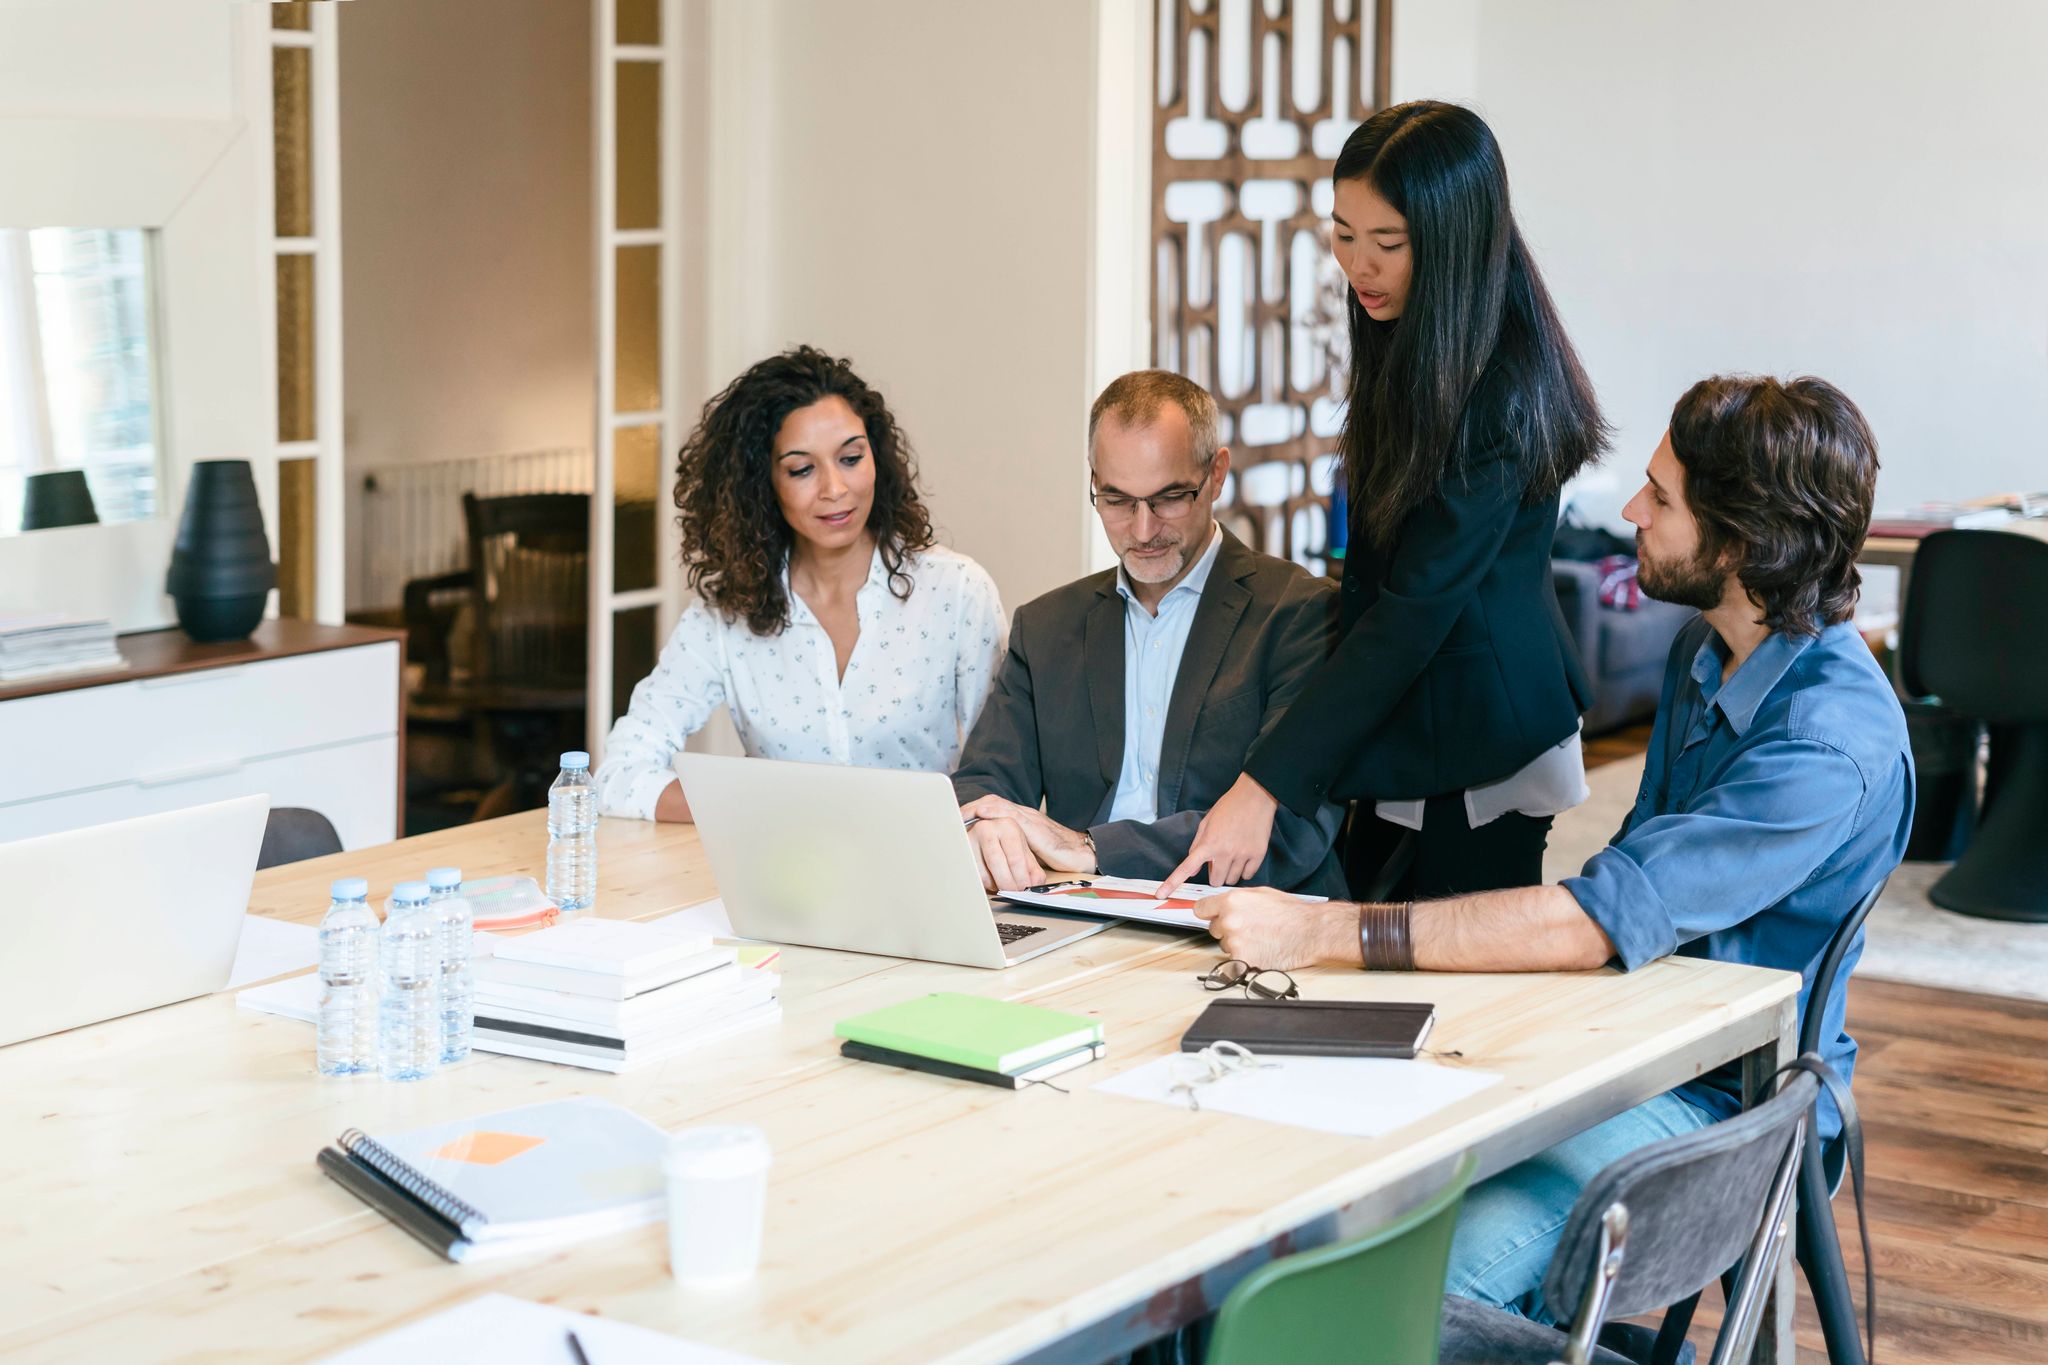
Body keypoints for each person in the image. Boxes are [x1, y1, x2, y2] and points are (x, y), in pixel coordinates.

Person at [1196, 374, 1913, 1322]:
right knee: (1307, 1187)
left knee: (1393, 1291)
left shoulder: (1826, 743)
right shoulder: (1706, 652)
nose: (1631, 512)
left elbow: (1596, 920)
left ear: (1741, 544)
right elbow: (1619, 879)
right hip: (1635, 1041)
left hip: (1727, 1105)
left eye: (1661, 498)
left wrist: (1319, 930)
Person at [1161, 100, 1607, 900]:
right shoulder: (1411, 326)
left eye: (1388, 243)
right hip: (1418, 713)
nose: (1358, 265)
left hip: (1484, 725)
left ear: (1451, 240)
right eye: (1343, 233)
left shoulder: (1501, 391)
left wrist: (1263, 785)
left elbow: (1412, 610)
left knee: (1437, 957)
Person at [951, 370, 1346, 896]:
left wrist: (1091, 849)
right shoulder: (1045, 627)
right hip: (1075, 909)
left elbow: (1292, 828)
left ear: (1217, 475)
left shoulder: (1300, 613)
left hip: (1242, 912)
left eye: (1169, 498)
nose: (1142, 530)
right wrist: (988, 829)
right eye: (1116, 500)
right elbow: (982, 786)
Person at [596, 346, 1006, 821]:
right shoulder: (726, 614)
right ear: (761, 483)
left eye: (851, 458)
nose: (835, 488)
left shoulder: (957, 591)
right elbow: (619, 774)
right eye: (802, 469)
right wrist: (761, 808)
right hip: (783, 865)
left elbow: (1000, 777)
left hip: (928, 861)